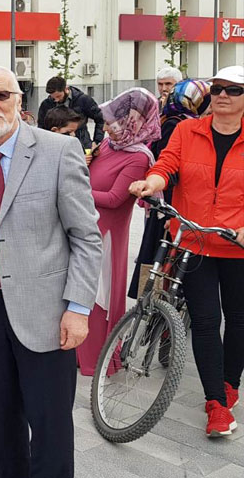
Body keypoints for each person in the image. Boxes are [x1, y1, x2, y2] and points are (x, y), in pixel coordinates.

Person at [0, 65, 102, 478]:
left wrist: (78, 307)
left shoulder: (58, 151)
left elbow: (86, 237)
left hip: (47, 310)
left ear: (19, 99)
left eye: (1, 94)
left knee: (50, 427)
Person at [129, 65, 244, 437]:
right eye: (217, 88)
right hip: (193, 241)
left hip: (236, 245)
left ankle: (230, 384)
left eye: (234, 90)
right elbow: (167, 164)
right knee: (207, 322)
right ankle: (215, 404)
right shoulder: (186, 130)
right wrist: (153, 181)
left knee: (239, 321)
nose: (223, 95)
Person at [74, 89, 158, 377]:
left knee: (99, 294)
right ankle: (77, 352)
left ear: (131, 121)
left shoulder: (139, 158)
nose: (106, 127)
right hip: (87, 227)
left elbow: (114, 198)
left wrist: (76, 189)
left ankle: (96, 358)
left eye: (112, 121)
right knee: (80, 292)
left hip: (107, 235)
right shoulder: (111, 145)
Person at [127, 79, 211, 300]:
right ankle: (154, 312)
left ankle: (156, 312)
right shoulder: (178, 124)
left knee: (158, 258)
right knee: (160, 260)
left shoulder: (176, 120)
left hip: (167, 204)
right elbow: (171, 168)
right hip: (170, 205)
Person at [37, 76, 105, 150]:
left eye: (59, 96)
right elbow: (41, 128)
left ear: (66, 89)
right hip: (57, 146)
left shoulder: (83, 100)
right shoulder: (46, 104)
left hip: (82, 144)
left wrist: (97, 141)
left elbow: (101, 119)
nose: (56, 100)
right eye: (53, 97)